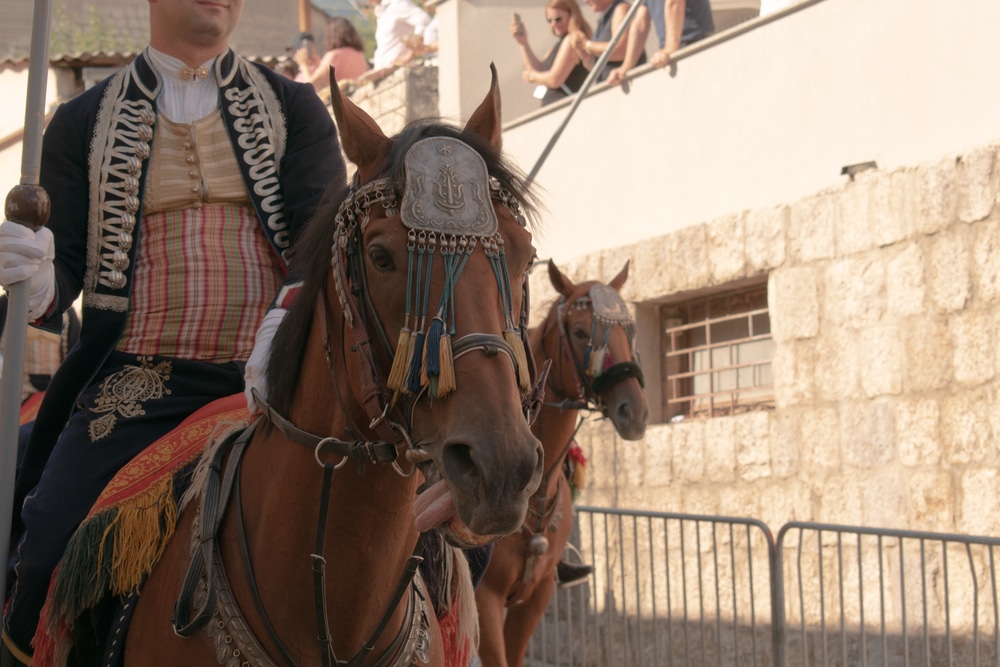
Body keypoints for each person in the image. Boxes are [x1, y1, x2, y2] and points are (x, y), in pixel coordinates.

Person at [0, 0, 345, 663]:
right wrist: (35, 275)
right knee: (43, 546)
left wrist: (283, 326)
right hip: (137, 388)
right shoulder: (79, 122)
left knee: (424, 537)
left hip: (272, 383)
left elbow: (320, 241)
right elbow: (63, 268)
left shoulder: (296, 109)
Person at [605, 0, 714, 85]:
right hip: (675, 50)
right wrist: (626, 68)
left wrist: (669, 48)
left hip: (694, 45)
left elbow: (675, 2)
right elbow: (640, 24)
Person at [510, 0, 592, 107]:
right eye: (550, 20)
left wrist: (532, 76)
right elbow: (539, 69)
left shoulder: (573, 40)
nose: (554, 24)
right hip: (555, 106)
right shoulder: (560, 44)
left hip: (564, 106)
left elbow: (554, 79)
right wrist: (523, 43)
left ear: (572, 15)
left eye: (558, 19)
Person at [568, 0, 646, 84]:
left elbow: (620, 50)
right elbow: (597, 65)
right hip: (612, 85)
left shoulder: (621, 9)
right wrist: (583, 52)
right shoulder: (604, 17)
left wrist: (586, 44)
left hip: (628, 84)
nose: (584, 1)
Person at [294, 16, 371, 90]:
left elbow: (311, 85)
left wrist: (303, 65)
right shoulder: (359, 55)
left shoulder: (334, 55)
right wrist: (319, 65)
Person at [370, 0, 433, 72]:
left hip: (400, 72)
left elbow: (425, 22)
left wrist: (410, 53)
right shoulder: (381, 10)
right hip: (384, 73)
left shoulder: (397, 3)